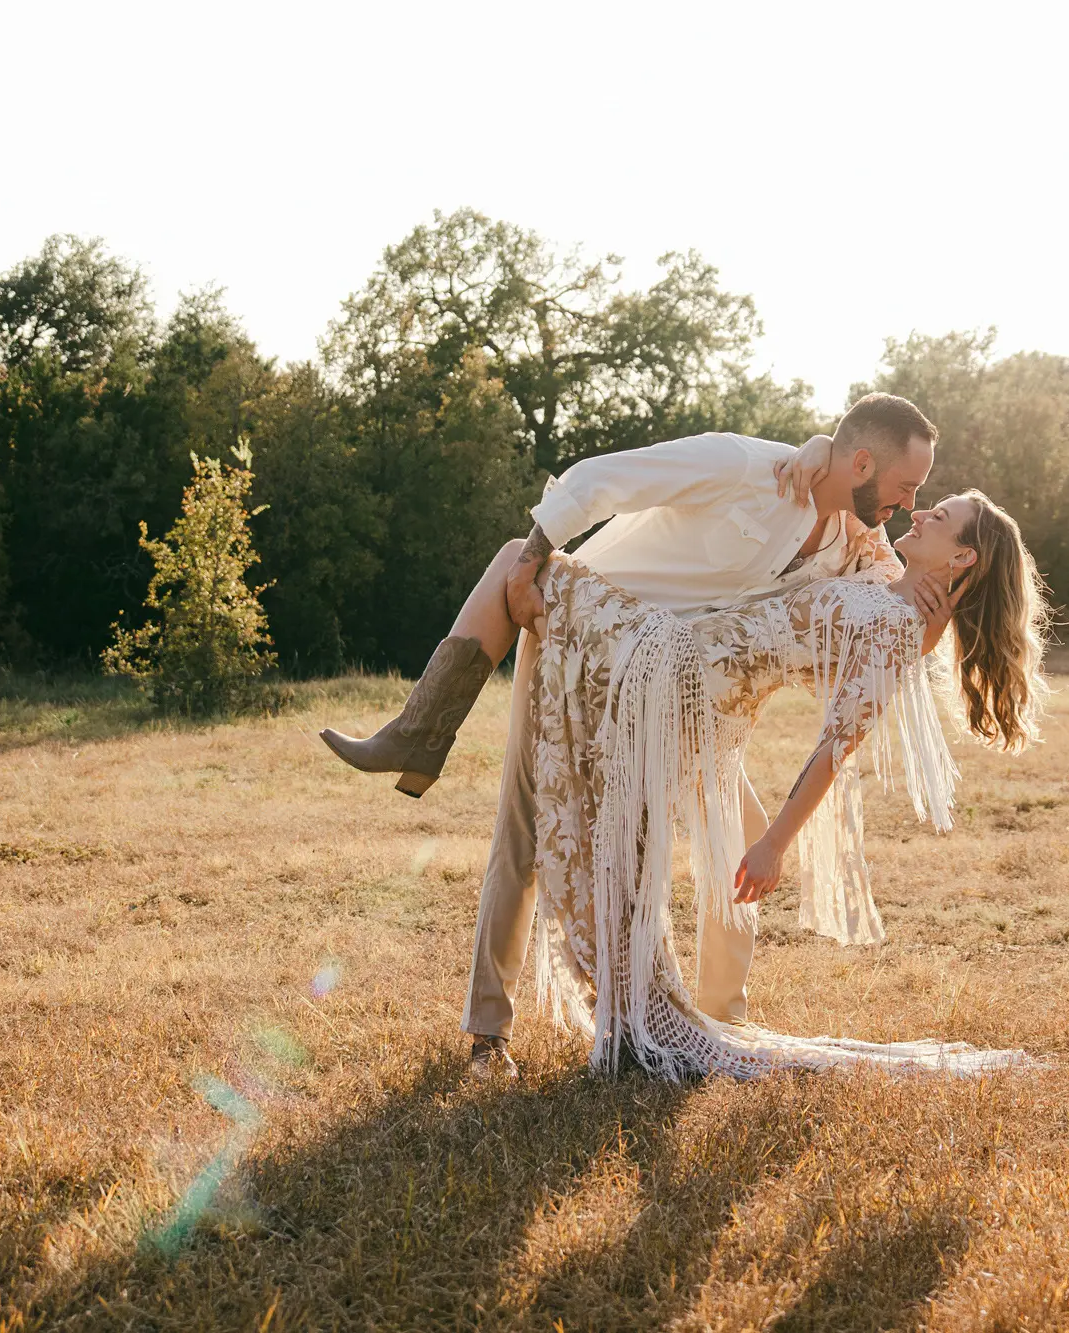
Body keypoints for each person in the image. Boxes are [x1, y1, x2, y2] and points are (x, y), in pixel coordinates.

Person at [320, 394, 951, 1078]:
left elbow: (887, 626)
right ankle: (487, 1034)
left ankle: (719, 1017)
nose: (909, 505)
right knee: (529, 830)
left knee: (742, 823)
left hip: (675, 694)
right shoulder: (746, 467)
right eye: (905, 487)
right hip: (581, 641)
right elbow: (599, 479)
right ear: (860, 460)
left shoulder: (855, 540)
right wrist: (533, 563)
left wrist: (936, 616)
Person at [528, 490, 1050, 1078]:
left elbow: (835, 748)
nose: (923, 511)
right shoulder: (884, 576)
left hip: (687, 691)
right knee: (608, 842)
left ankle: (639, 1011)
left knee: (547, 576)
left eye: (943, 518)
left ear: (962, 559)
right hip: (688, 670)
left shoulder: (898, 630)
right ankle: (636, 1008)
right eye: (931, 503)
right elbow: (855, 496)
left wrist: (774, 844)